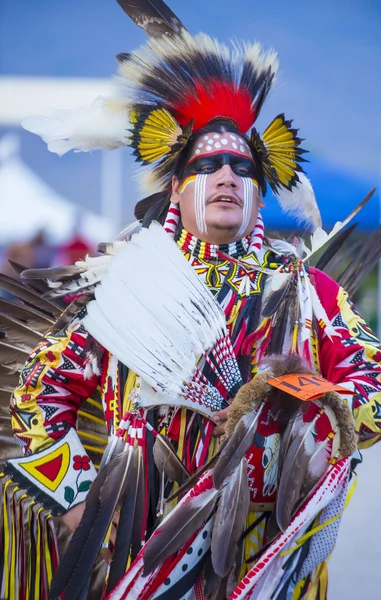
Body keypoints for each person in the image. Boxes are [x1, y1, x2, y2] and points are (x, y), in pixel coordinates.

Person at [0, 2, 380, 599]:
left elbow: (372, 387)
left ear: (259, 193)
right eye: (208, 165)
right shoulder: (122, 287)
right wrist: (81, 508)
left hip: (268, 553)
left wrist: (319, 416)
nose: (227, 176)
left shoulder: (307, 292)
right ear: (177, 187)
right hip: (141, 549)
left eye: (242, 167)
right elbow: (36, 398)